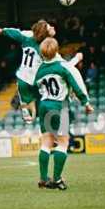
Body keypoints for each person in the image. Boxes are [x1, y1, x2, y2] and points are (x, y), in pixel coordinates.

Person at [34, 38, 93, 190]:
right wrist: (85, 102)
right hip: (59, 106)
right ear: (57, 50)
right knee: (63, 142)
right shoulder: (62, 67)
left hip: (43, 106)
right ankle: (57, 179)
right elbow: (75, 83)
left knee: (46, 142)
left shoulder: (39, 70)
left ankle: (42, 178)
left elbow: (35, 89)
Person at [0, 20, 56, 123]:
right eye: (49, 27)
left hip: (22, 77)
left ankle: (28, 110)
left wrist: (3, 31)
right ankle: (30, 110)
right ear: (44, 32)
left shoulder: (28, 35)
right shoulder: (47, 46)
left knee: (30, 101)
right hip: (36, 79)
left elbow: (16, 33)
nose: (52, 27)